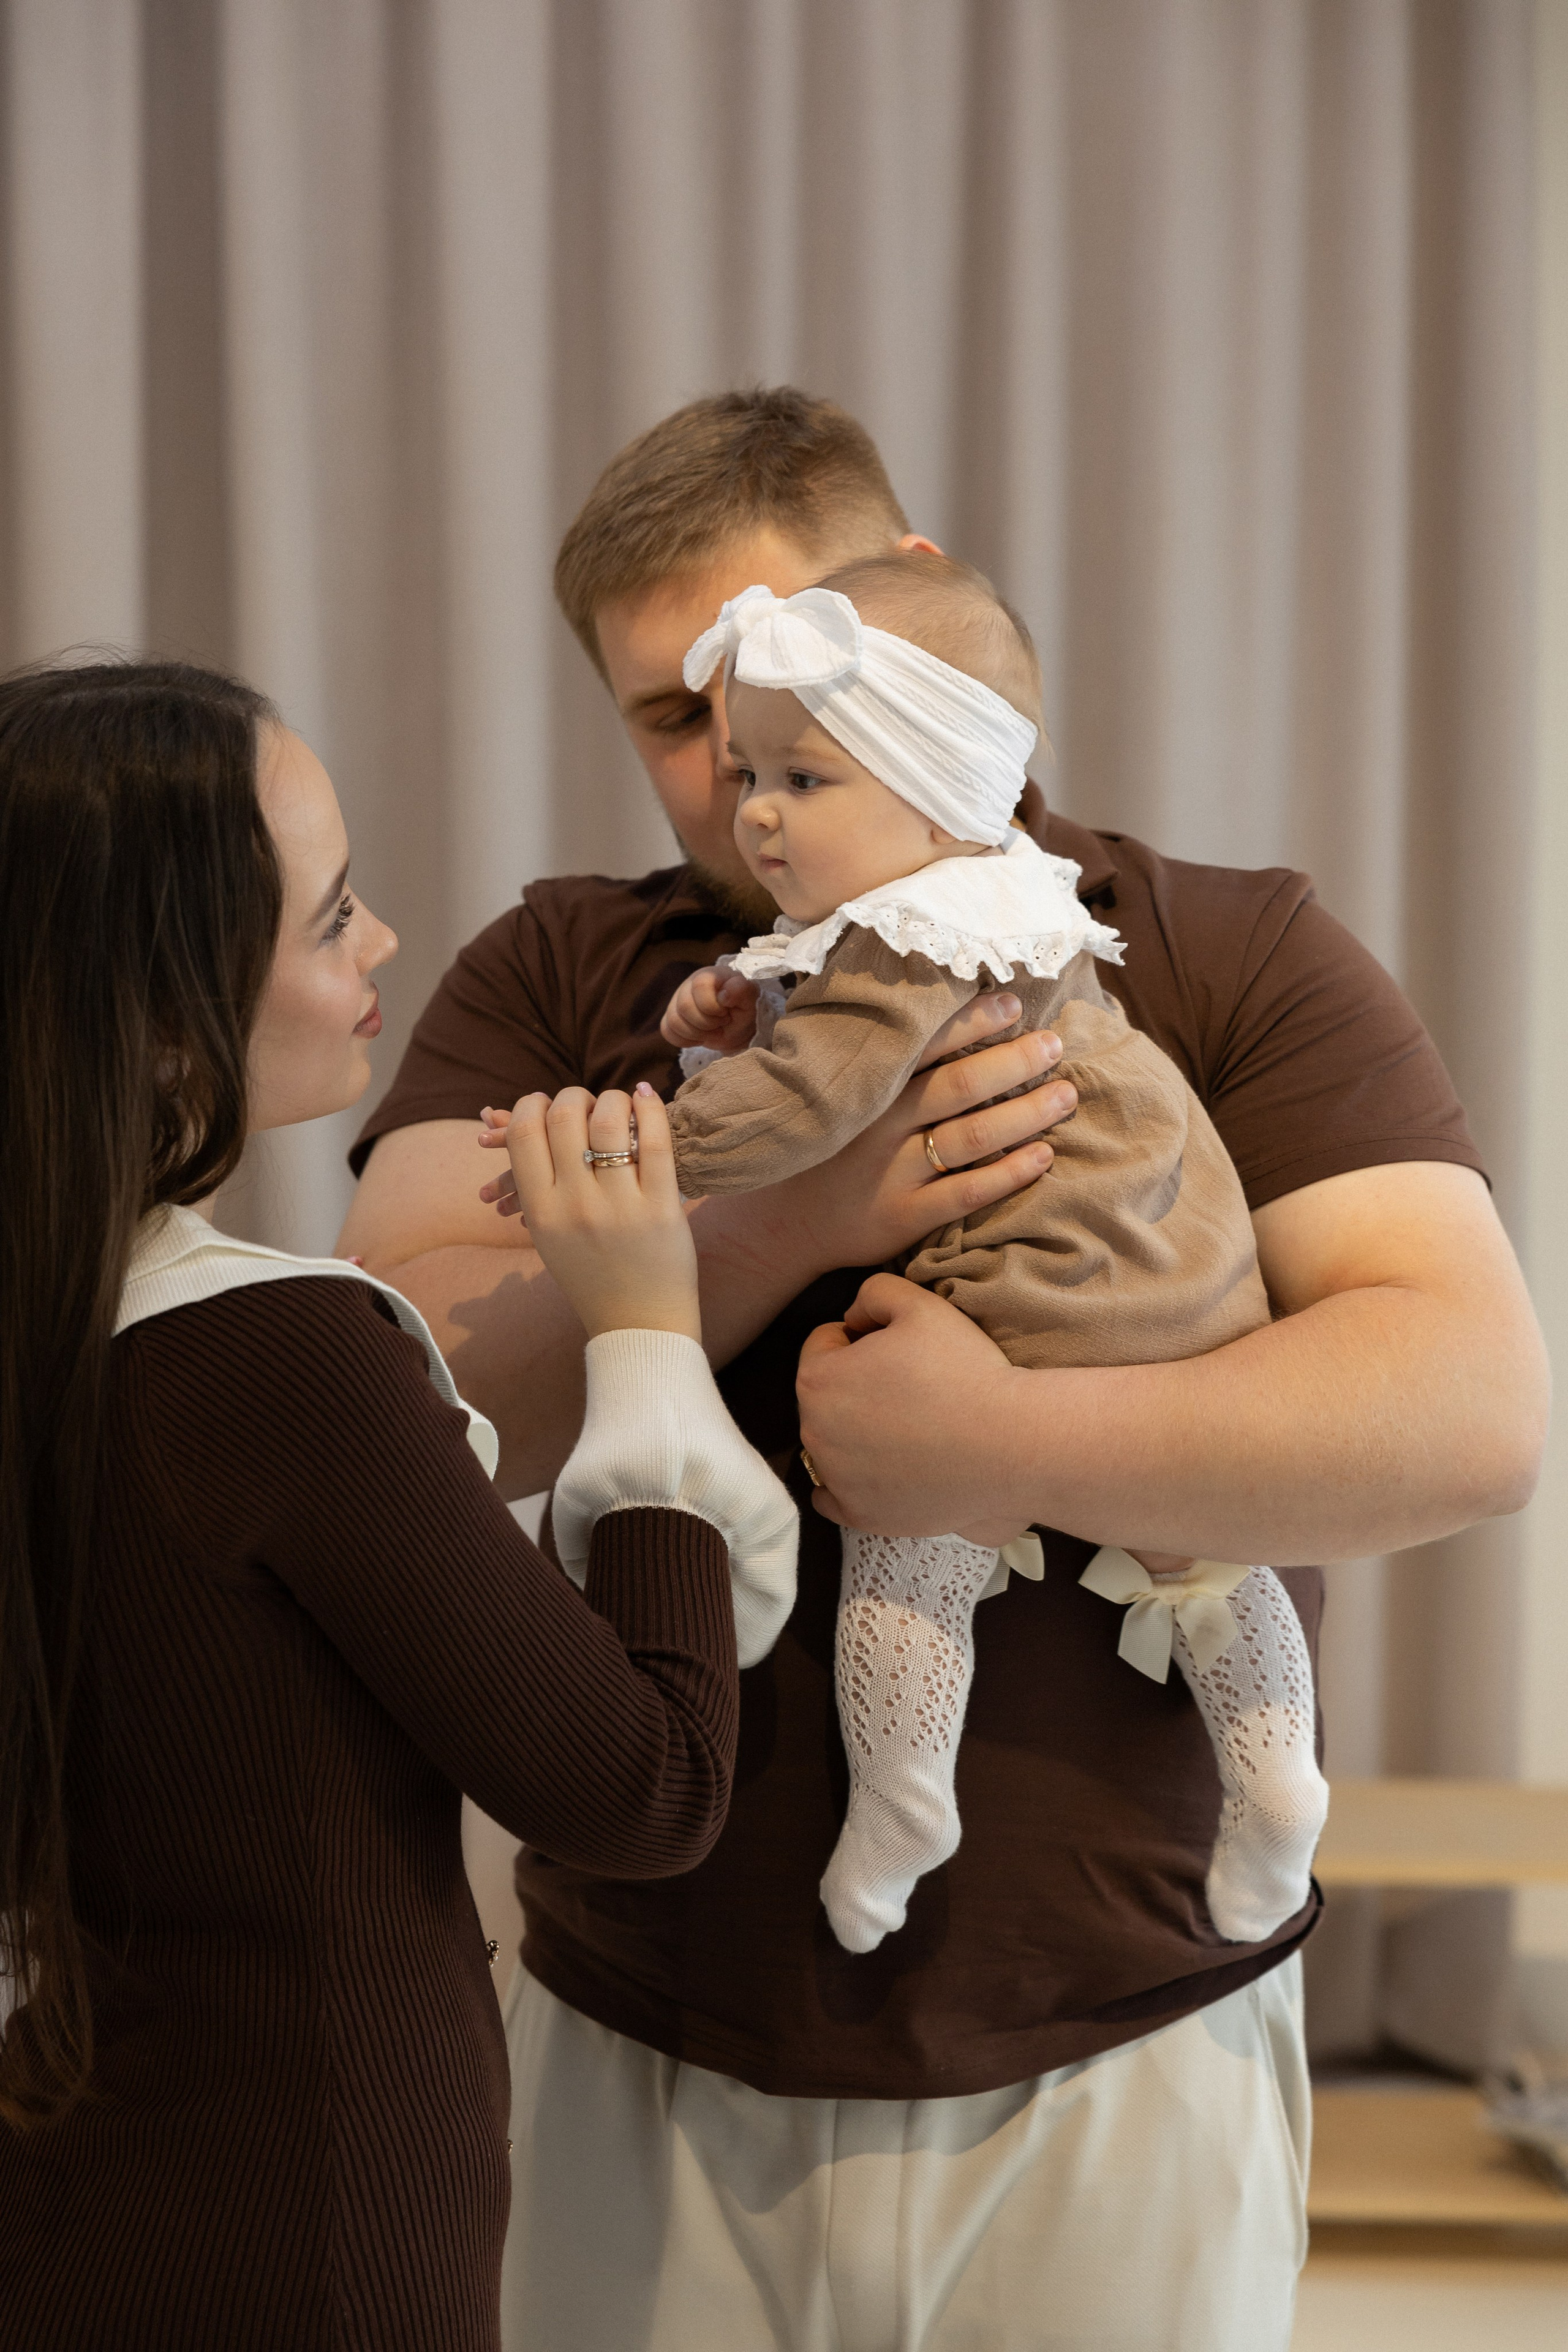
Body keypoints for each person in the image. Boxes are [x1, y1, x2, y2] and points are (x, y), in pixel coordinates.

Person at [340, 389, 1548, 2351]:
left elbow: (1466, 1416)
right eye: (671, 719)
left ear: (918, 596)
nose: (736, 770)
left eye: (779, 680)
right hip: (639, 2034)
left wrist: (1008, 1444)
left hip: (1129, 2054)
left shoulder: (1219, 947)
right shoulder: (566, 973)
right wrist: (785, 1227)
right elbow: (409, 1417)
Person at [0, 659, 793, 2352]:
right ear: (162, 1016)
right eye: (330, 916)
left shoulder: (75, 1328)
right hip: (307, 2237)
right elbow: (646, 1788)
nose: (382, 940)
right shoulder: (271, 1358)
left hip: (71, 2201)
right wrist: (647, 1335)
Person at [638, 556, 1326, 1961]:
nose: (756, 811)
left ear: (942, 790)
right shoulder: (989, 897)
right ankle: (1275, 1783)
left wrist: (652, 1145)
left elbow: (813, 1104)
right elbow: (831, 1055)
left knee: (911, 1517)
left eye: (804, 779)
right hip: (1173, 1261)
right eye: (748, 774)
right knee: (1202, 1556)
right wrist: (743, 1023)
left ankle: (901, 1793)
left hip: (1039, 1273)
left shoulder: (905, 941)